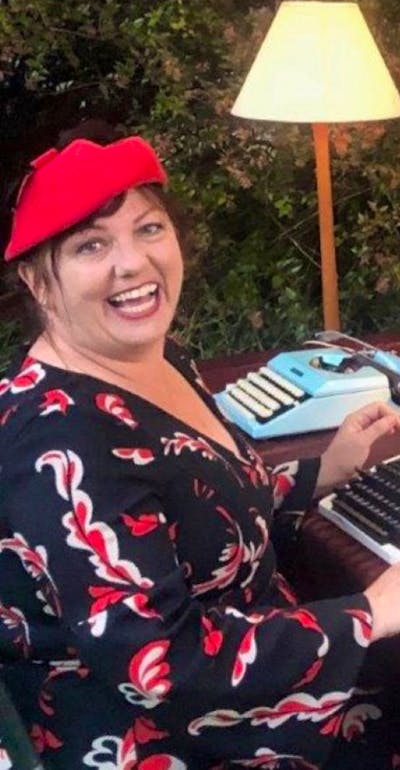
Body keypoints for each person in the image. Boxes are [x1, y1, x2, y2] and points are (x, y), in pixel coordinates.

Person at [1, 131, 400, 770]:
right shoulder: (58, 437)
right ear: (37, 282)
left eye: (148, 228)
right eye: (91, 245)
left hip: (254, 668)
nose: (131, 263)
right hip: (176, 735)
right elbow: (159, 666)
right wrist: (370, 611)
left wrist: (322, 471)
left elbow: (203, 505)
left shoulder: (156, 359)